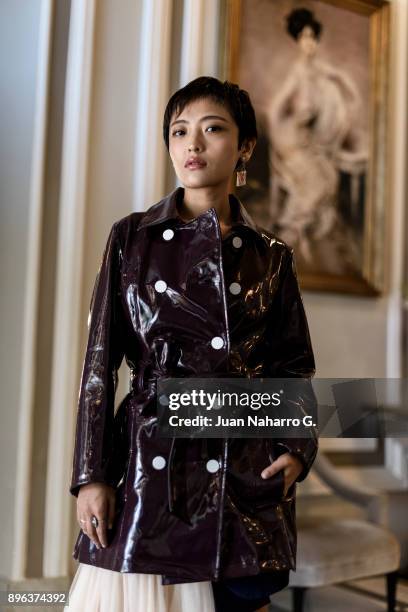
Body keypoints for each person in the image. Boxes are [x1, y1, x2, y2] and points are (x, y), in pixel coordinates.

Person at [64, 76, 318, 612]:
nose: (192, 144)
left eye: (212, 129)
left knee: (246, 598)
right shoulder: (130, 238)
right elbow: (99, 366)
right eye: (179, 131)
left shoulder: (272, 257)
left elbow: (292, 369)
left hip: (243, 461)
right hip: (150, 456)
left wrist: (296, 447)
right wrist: (92, 474)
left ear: (245, 146)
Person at [268, 7, 367, 265]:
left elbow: (350, 91)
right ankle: (286, 237)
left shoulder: (319, 72)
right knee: (316, 185)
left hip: (310, 145)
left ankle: (301, 235)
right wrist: (282, 137)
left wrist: (341, 80)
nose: (310, 43)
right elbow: (274, 110)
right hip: (293, 145)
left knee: (330, 178)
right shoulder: (297, 73)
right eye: (304, 37)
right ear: (297, 40)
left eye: (313, 37)